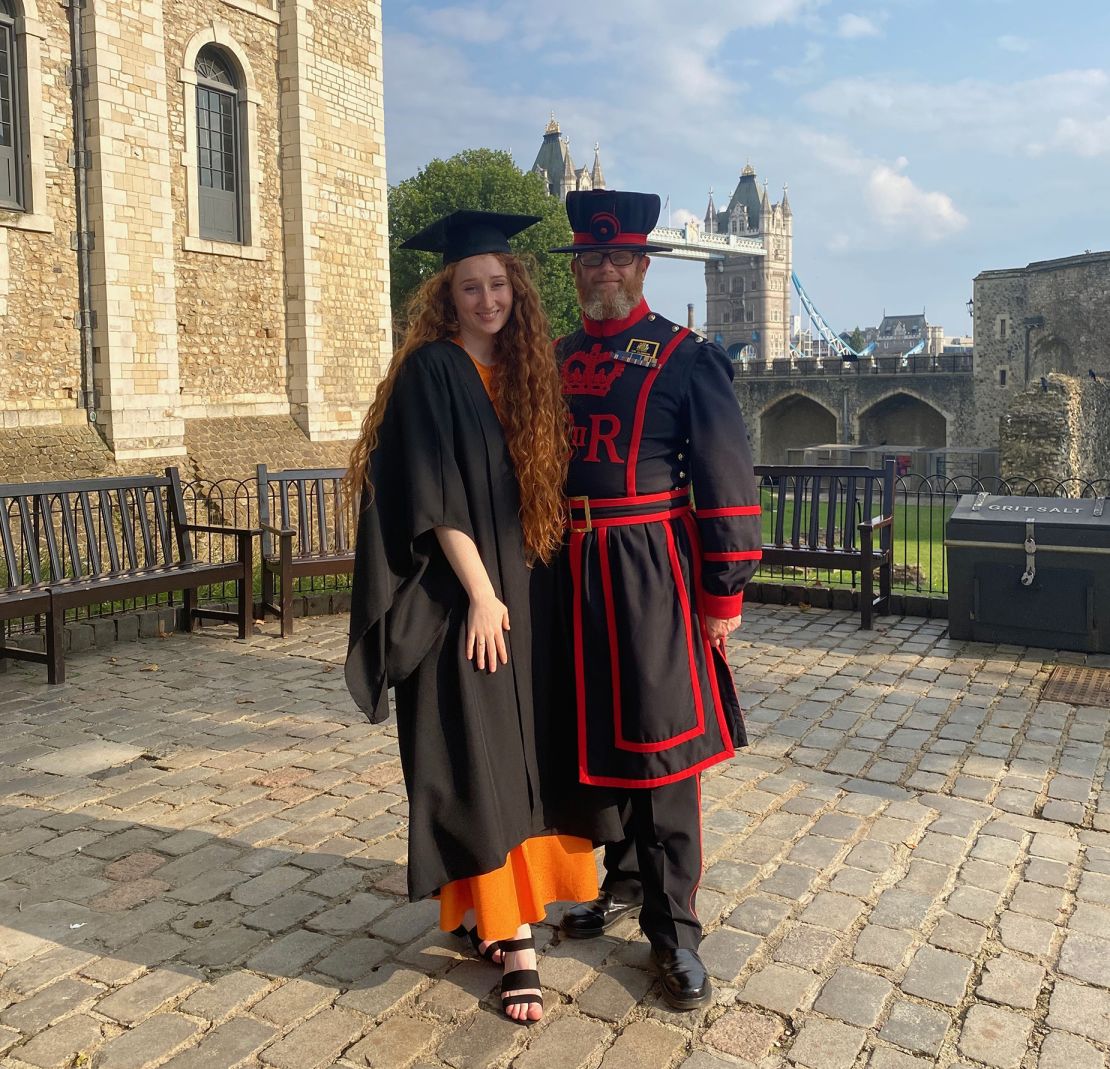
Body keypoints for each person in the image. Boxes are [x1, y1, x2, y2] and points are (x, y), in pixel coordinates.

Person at [344, 210, 602, 1024]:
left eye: (496, 284)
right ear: (446, 295)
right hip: (463, 601)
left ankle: (486, 913)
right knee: (478, 761)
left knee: (522, 755)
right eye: (469, 286)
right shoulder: (433, 370)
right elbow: (433, 495)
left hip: (524, 594)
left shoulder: (527, 374)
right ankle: (516, 940)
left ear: (515, 290)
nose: (486, 298)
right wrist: (483, 593)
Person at [550, 189, 762, 1010]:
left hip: (650, 571)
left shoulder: (684, 357)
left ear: (642, 265)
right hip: (564, 570)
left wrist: (722, 588)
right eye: (590, 260)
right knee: (591, 738)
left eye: (618, 258)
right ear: (580, 270)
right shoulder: (555, 357)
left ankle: (676, 932)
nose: (603, 270)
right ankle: (622, 878)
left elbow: (727, 478)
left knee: (661, 747)